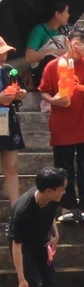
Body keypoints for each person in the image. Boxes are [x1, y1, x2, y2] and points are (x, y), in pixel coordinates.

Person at [38, 25, 84, 220]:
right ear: (67, 42)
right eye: (76, 43)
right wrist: (52, 100)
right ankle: (66, 207)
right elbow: (44, 90)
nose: (79, 47)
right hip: (62, 125)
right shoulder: (53, 65)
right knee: (64, 168)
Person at [10, 167, 67, 287]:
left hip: (42, 241)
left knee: (50, 286)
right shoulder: (23, 211)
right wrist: (21, 279)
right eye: (61, 189)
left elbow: (49, 216)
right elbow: (16, 246)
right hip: (24, 247)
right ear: (48, 191)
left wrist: (55, 235)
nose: (64, 192)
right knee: (33, 285)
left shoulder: (53, 199)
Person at [0, 35, 27, 202]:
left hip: (7, 118)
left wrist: (20, 94)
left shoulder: (9, 70)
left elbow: (21, 87)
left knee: (11, 166)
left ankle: (15, 208)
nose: (3, 57)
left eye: (4, 53)